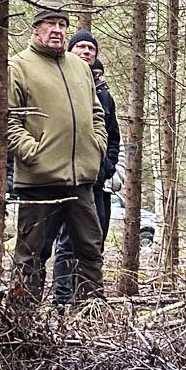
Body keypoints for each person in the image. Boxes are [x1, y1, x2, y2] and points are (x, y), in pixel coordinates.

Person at [6, 6, 107, 302]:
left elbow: (96, 114)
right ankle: (23, 322)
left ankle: (90, 314)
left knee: (90, 248)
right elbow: (9, 119)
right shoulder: (19, 65)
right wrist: (33, 152)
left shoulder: (79, 67)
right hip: (40, 181)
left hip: (81, 179)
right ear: (35, 29)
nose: (57, 30)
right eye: (49, 24)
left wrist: (96, 145)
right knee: (31, 253)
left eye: (62, 24)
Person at [51, 32, 123, 304]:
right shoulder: (60, 81)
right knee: (67, 241)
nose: (86, 51)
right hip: (66, 176)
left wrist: (107, 166)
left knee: (95, 240)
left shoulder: (103, 93)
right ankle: (61, 300)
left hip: (97, 180)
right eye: (80, 46)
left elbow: (113, 135)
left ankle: (87, 301)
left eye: (90, 48)